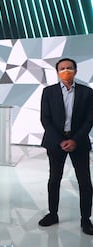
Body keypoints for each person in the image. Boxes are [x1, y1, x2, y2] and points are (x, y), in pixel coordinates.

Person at [38, 58, 93, 235]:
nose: (66, 71)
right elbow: (45, 119)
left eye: (69, 68)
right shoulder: (48, 92)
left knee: (84, 182)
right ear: (57, 72)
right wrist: (60, 141)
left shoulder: (87, 92)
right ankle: (52, 214)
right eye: (62, 68)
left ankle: (86, 220)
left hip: (79, 141)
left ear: (75, 71)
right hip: (56, 142)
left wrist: (75, 139)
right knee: (54, 179)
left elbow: (89, 119)